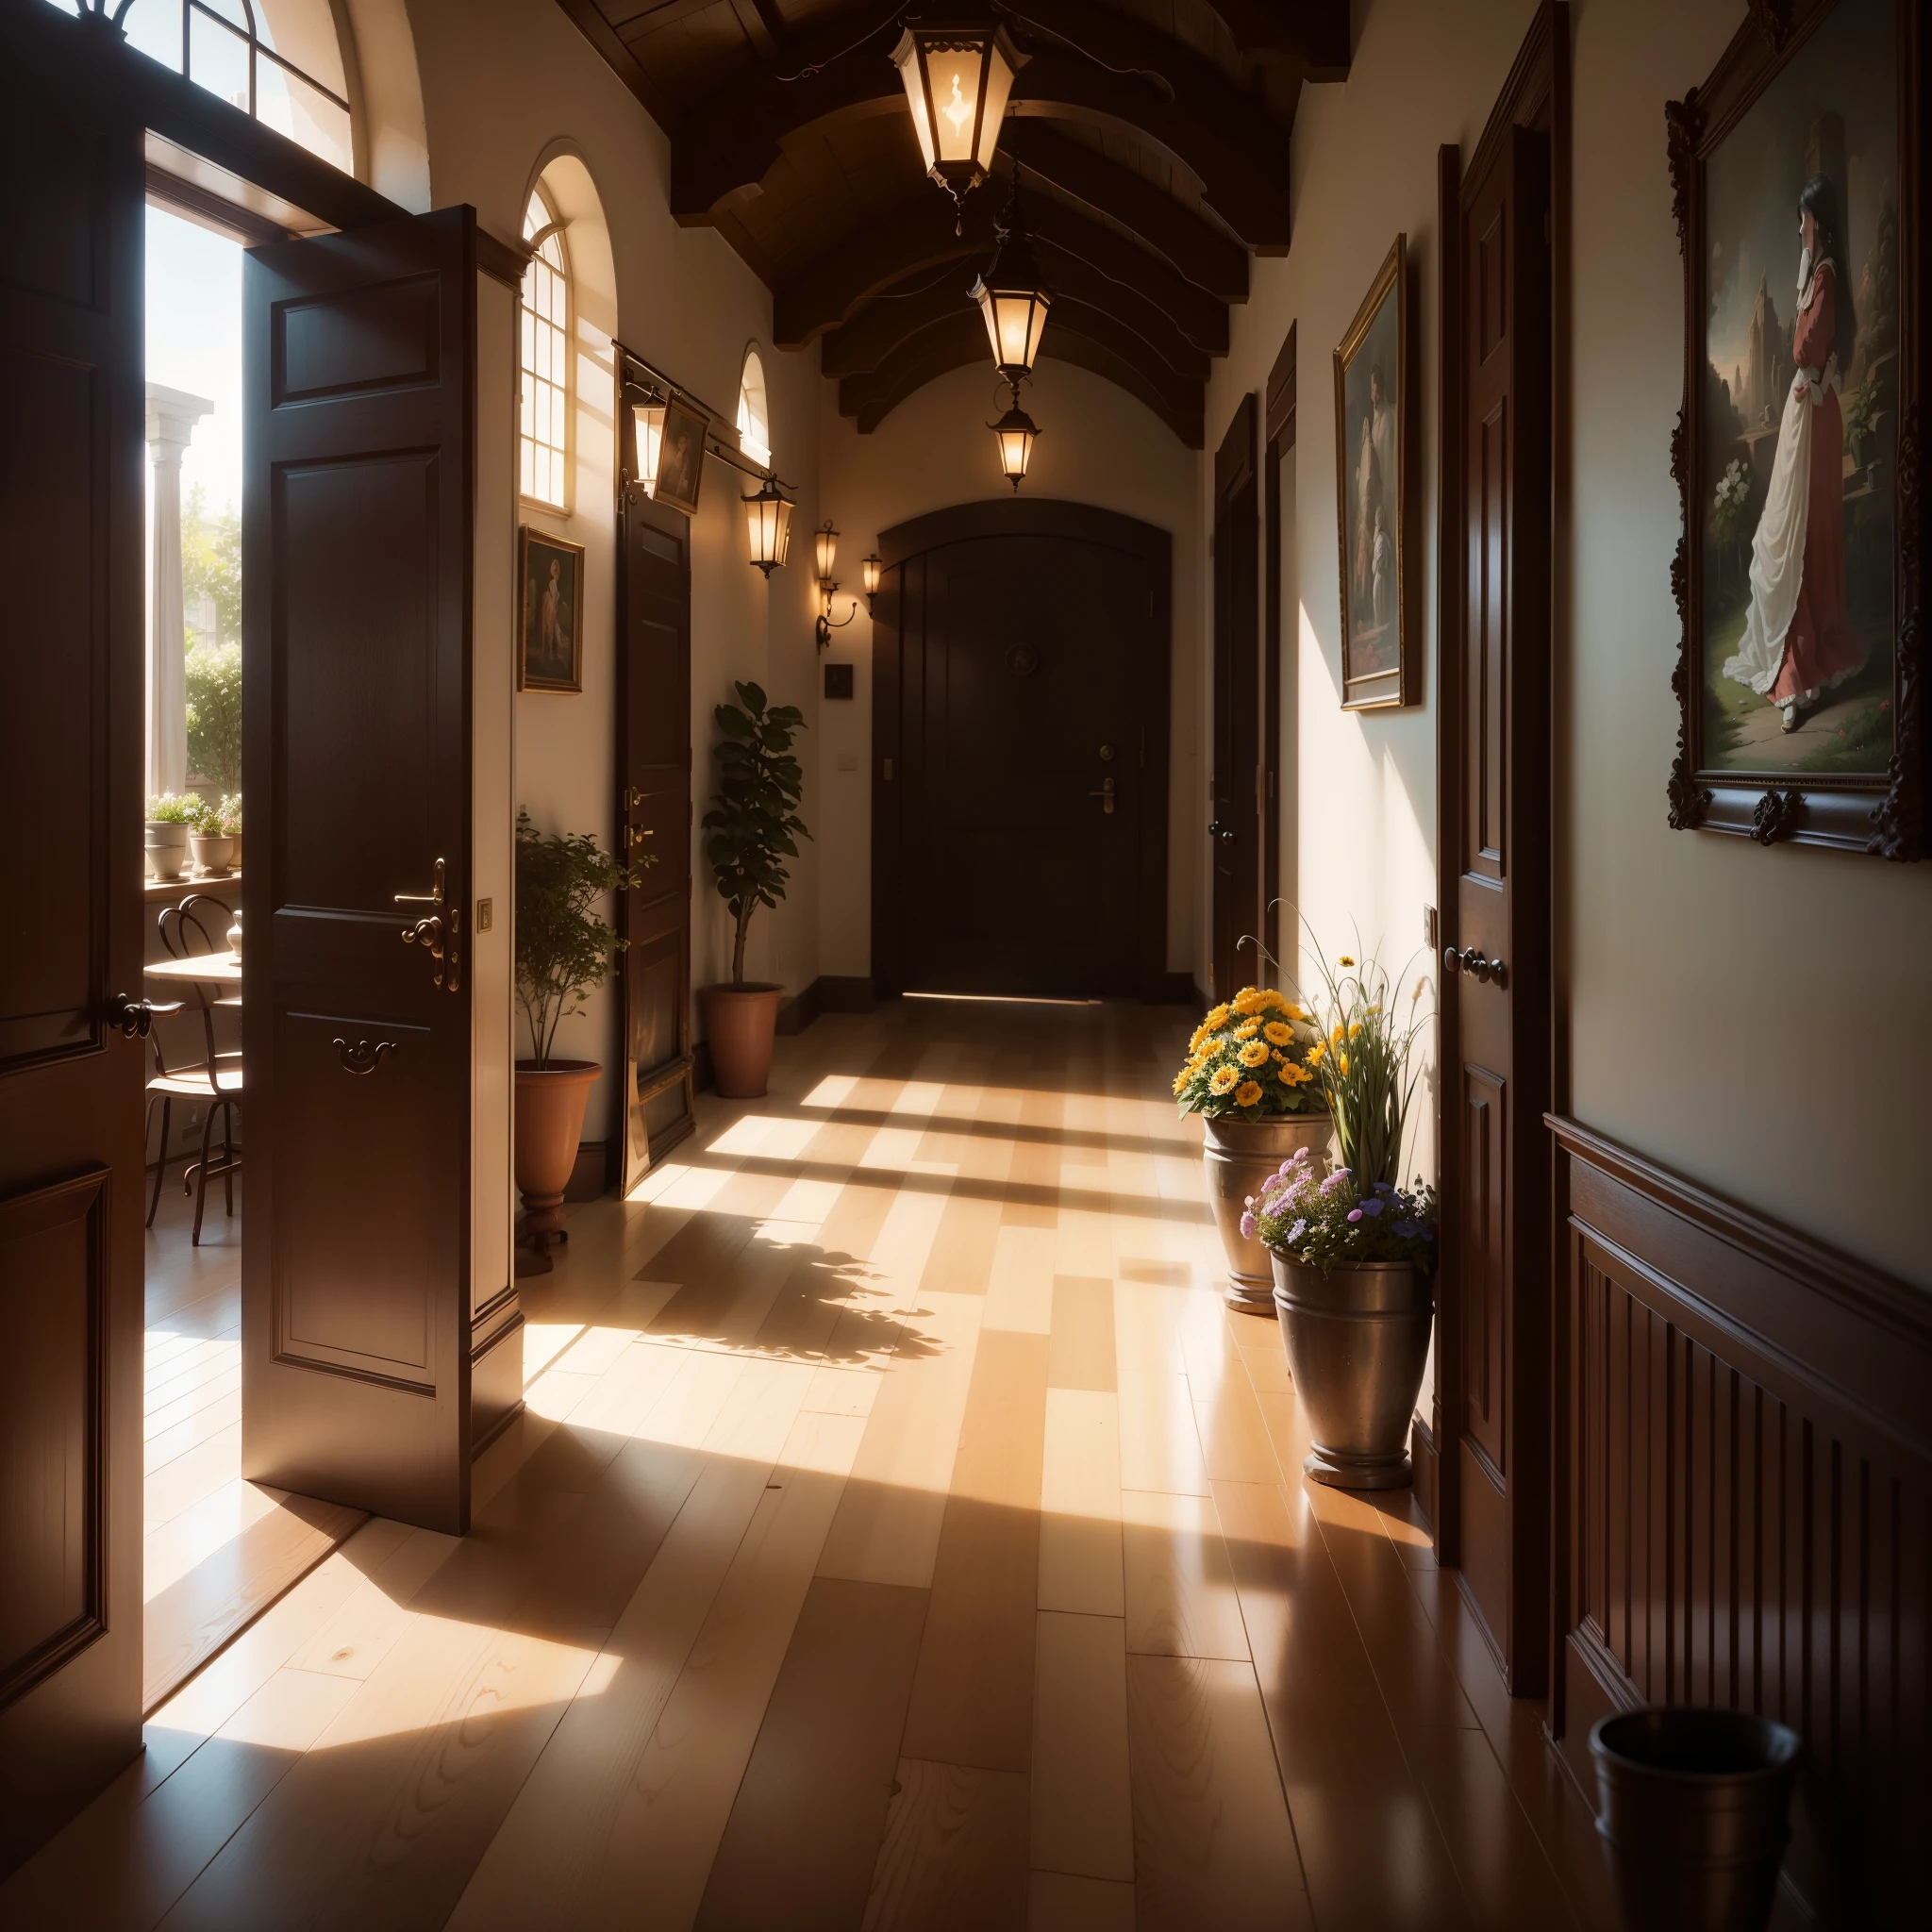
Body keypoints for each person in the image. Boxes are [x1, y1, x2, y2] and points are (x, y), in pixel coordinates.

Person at [1724, 174, 1867, 730]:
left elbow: (1805, 346)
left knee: (1809, 522)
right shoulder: (1816, 276)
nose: (1799, 227)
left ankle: (1805, 653)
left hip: (1815, 412)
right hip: (1807, 407)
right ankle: (1795, 652)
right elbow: (1799, 345)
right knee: (1796, 523)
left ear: (1819, 220)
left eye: (1804, 218)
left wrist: (1807, 279)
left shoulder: (1825, 276)